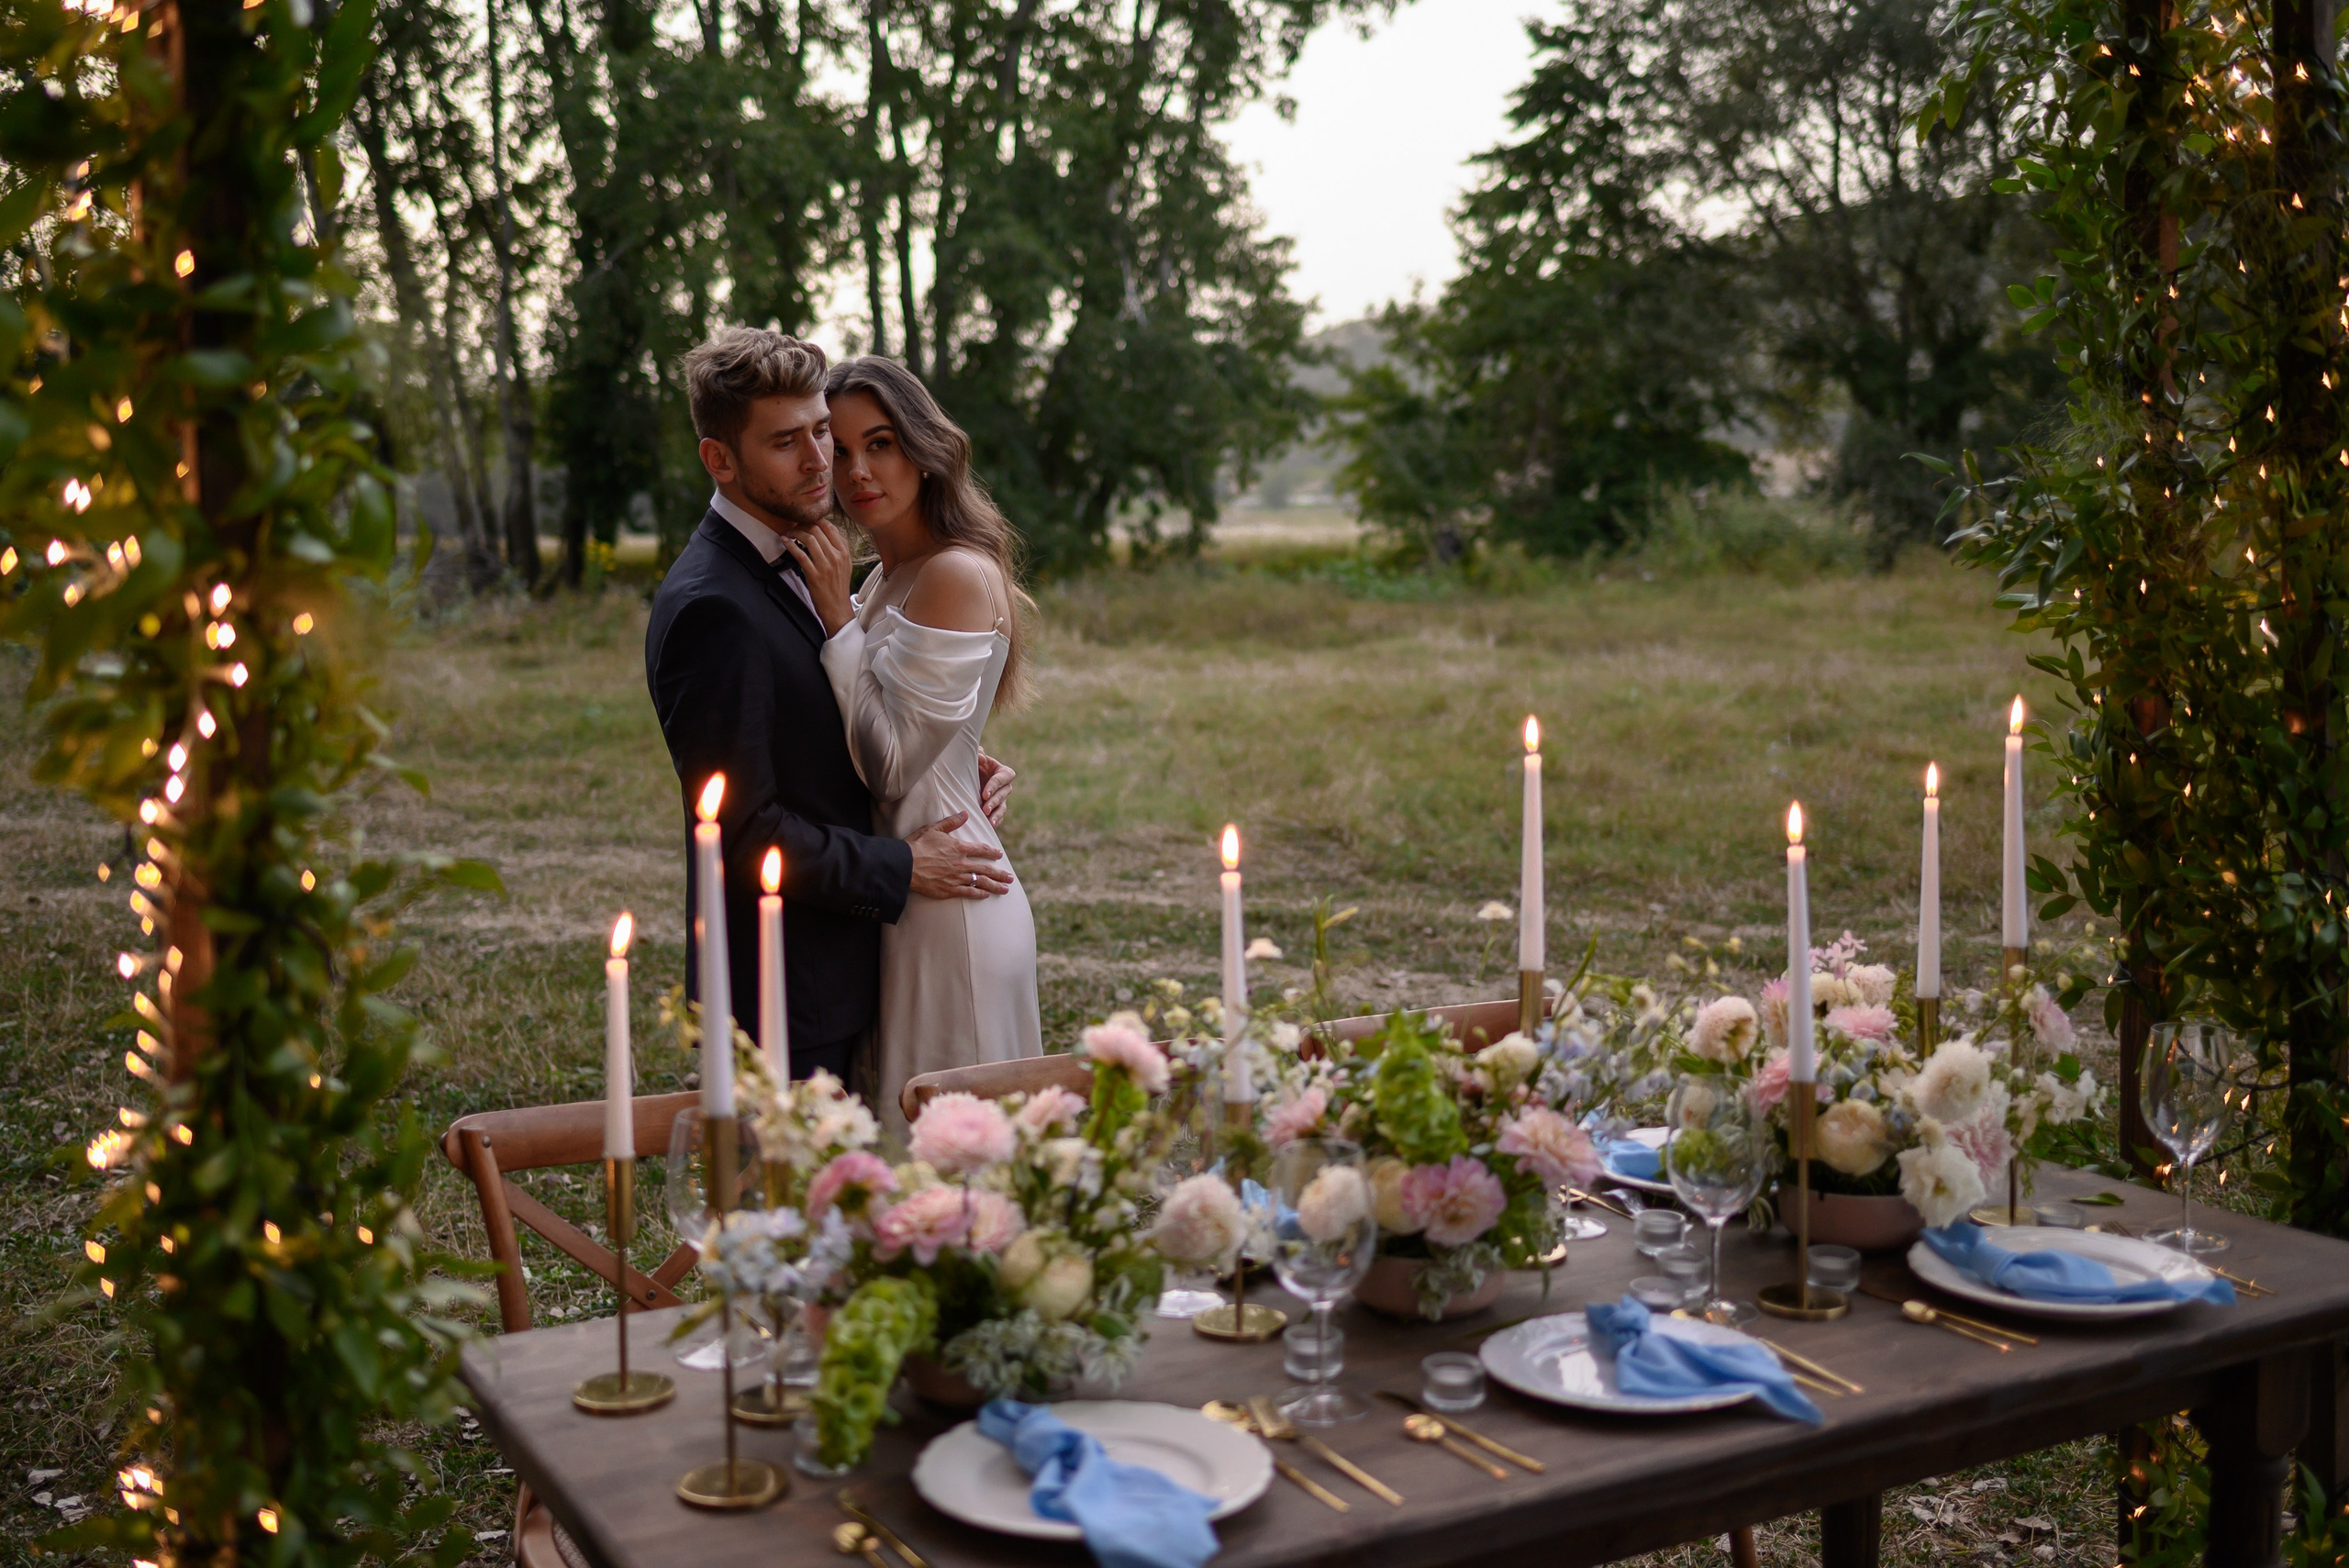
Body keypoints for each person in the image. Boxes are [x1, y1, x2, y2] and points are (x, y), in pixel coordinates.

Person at [643, 328, 1016, 1090]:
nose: (822, 462)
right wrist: (903, 862)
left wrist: (954, 758)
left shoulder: (814, 564)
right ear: (720, 459)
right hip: (788, 991)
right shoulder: (715, 605)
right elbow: (742, 831)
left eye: (822, 431)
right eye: (787, 442)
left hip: (856, 964)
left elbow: (838, 722)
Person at [784, 356, 1042, 1126]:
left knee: (954, 1160)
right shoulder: (882, 578)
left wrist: (838, 623)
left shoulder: (952, 573)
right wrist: (968, 758)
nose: (857, 471)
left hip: (954, 911)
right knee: (910, 1153)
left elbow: (893, 767)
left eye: (881, 444)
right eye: (839, 449)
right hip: (902, 892)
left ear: (924, 448)